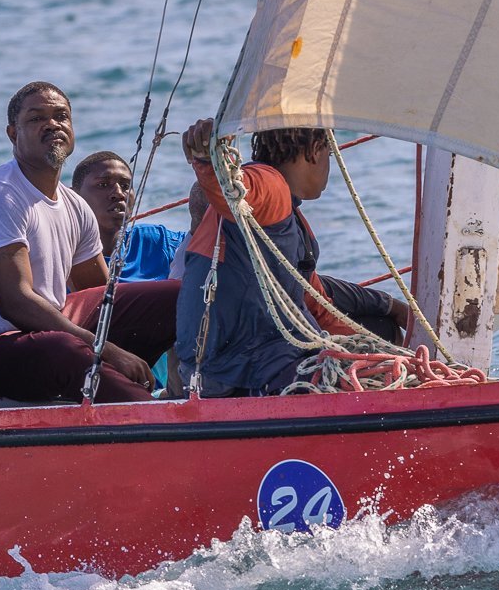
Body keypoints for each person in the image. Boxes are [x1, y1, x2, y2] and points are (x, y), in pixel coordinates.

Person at [0, 82, 178, 403]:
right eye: (37, 119)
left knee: (177, 295)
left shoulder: (75, 206)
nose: (52, 124)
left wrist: (121, 339)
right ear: (12, 134)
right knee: (66, 350)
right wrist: (104, 349)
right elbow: (16, 303)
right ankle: (149, 413)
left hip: (44, 332)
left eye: (61, 116)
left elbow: (105, 299)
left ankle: (192, 390)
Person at [176, 119, 410, 396]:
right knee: (368, 381)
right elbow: (236, 190)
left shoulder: (290, 217)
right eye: (329, 155)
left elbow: (317, 302)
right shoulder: (270, 185)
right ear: (315, 150)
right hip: (241, 373)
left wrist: (382, 344)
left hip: (221, 368)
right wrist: (207, 159)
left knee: (380, 331)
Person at [71, 151, 188, 282]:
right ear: (73, 197)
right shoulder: (61, 256)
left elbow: (205, 240)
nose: (119, 193)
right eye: (103, 185)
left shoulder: (156, 242)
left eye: (126, 186)